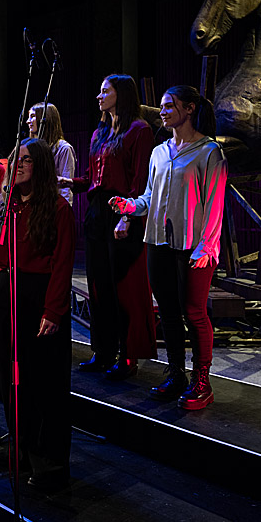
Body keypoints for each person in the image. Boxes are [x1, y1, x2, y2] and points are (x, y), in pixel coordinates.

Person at [0, 139, 75, 490]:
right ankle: (21, 447)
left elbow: (62, 264)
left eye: (27, 160)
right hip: (5, 295)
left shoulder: (57, 209)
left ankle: (50, 463)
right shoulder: (7, 207)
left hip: (39, 297)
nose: (18, 165)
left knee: (43, 383)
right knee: (11, 377)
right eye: (16, 159)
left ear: (42, 166)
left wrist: (53, 310)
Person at [110, 85, 227, 410]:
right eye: (161, 106)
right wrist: (130, 208)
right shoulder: (159, 151)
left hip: (194, 248)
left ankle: (201, 381)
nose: (161, 111)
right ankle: (176, 374)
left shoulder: (209, 152)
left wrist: (206, 245)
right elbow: (150, 196)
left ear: (189, 109)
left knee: (194, 313)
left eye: (168, 105)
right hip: (158, 243)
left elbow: (215, 203)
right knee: (170, 316)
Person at [60, 74, 156, 379]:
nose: (99, 97)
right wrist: (71, 183)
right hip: (97, 213)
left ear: (122, 94)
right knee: (99, 286)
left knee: (123, 288)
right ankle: (103, 351)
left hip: (124, 211)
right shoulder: (99, 132)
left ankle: (129, 355)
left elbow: (140, 180)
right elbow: (93, 178)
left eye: (105, 91)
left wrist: (128, 217)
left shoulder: (139, 131)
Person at [28, 102, 77, 205]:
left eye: (32, 116)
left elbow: (66, 190)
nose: (28, 121)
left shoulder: (63, 149)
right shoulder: (31, 149)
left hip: (52, 208)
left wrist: (64, 213)